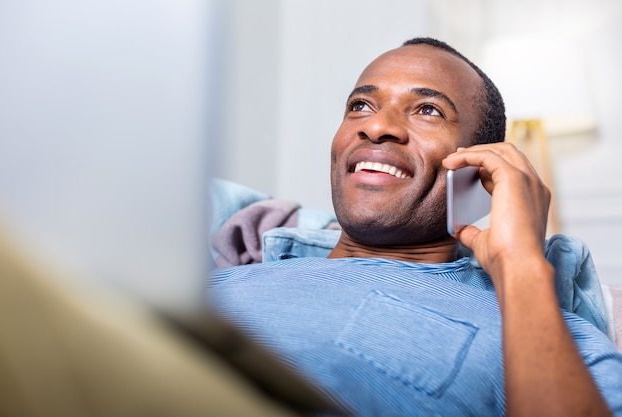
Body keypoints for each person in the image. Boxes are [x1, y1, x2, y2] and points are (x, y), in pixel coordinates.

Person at [209, 37, 622, 416]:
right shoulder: (233, 273)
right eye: (360, 105)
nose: (374, 126)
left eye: (428, 110)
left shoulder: (552, 337)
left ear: (478, 171)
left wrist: (520, 261)